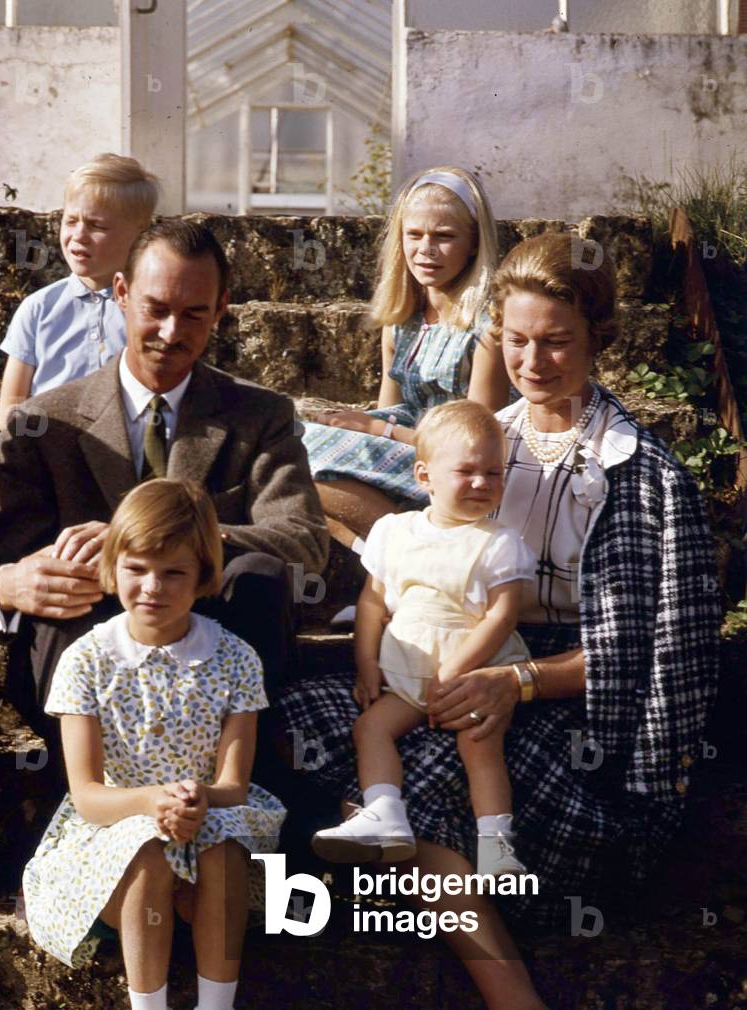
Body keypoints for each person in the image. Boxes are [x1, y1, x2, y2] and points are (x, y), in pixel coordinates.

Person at [278, 232, 721, 1010]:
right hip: (452, 670)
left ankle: (512, 996)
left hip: (571, 706)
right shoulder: (480, 444)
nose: (532, 361)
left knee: (425, 790)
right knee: (290, 722)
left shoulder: (643, 478)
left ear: (599, 337)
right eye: (515, 340)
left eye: (555, 341)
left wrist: (516, 681)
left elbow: (655, 654)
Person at [0, 218, 329, 759]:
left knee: (260, 575)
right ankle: (93, 791)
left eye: (194, 314)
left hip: (212, 650)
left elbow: (303, 541)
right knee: (66, 599)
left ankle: (241, 791)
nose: (171, 332)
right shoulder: (41, 423)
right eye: (155, 309)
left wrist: (174, 542)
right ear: (120, 292)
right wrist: (8, 586)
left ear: (221, 308)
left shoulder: (260, 416)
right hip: (87, 653)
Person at [22, 479, 285, 1010]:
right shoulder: (86, 660)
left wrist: (195, 801)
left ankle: (217, 1005)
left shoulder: (235, 659)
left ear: (203, 576)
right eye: (136, 569)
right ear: (113, 567)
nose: (152, 587)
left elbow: (234, 786)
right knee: (147, 846)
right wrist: (152, 802)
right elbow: (88, 795)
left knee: (223, 843)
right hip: (115, 834)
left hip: (208, 825)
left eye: (173, 573)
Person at [312, 400, 536, 878]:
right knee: (371, 728)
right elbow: (373, 601)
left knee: (479, 744)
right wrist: (367, 663)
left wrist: (456, 670)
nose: (482, 483)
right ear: (424, 475)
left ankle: (497, 847)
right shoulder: (395, 532)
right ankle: (384, 811)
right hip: (406, 670)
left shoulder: (498, 542)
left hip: (472, 671)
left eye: (493, 473)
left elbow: (502, 615)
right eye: (466, 472)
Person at [302, 166, 509, 558]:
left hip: (456, 468)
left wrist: (376, 429)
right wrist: (363, 427)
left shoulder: (487, 326)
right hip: (406, 459)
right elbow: (389, 409)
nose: (425, 249)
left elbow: (477, 444)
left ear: (473, 243)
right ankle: (390, 560)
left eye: (444, 236)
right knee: (290, 447)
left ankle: (420, 555)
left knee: (307, 452)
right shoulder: (402, 320)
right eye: (414, 235)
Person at [0, 153, 160, 431]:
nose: (79, 235)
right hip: (51, 445)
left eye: (97, 225)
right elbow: (11, 402)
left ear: (139, 233)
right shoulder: (39, 308)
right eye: (71, 221)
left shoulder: (149, 310)